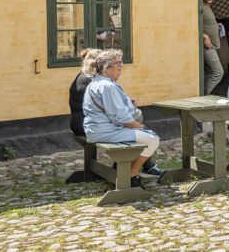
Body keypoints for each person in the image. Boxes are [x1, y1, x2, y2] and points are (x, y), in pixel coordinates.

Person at [70, 49, 164, 177]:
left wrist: (125, 104)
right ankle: (129, 173)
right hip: (93, 125)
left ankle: (127, 167)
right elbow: (118, 115)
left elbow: (108, 105)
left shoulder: (94, 80)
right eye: (117, 65)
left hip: (91, 124)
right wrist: (138, 125)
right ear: (105, 67)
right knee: (148, 136)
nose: (120, 69)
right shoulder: (100, 83)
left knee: (139, 131)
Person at [202, 0, 224, 95]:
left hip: (213, 45)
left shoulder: (206, 6)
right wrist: (205, 36)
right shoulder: (200, 6)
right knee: (218, 72)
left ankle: (204, 95)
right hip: (207, 47)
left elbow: (206, 22)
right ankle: (205, 97)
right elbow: (193, 24)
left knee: (209, 73)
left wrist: (216, 25)